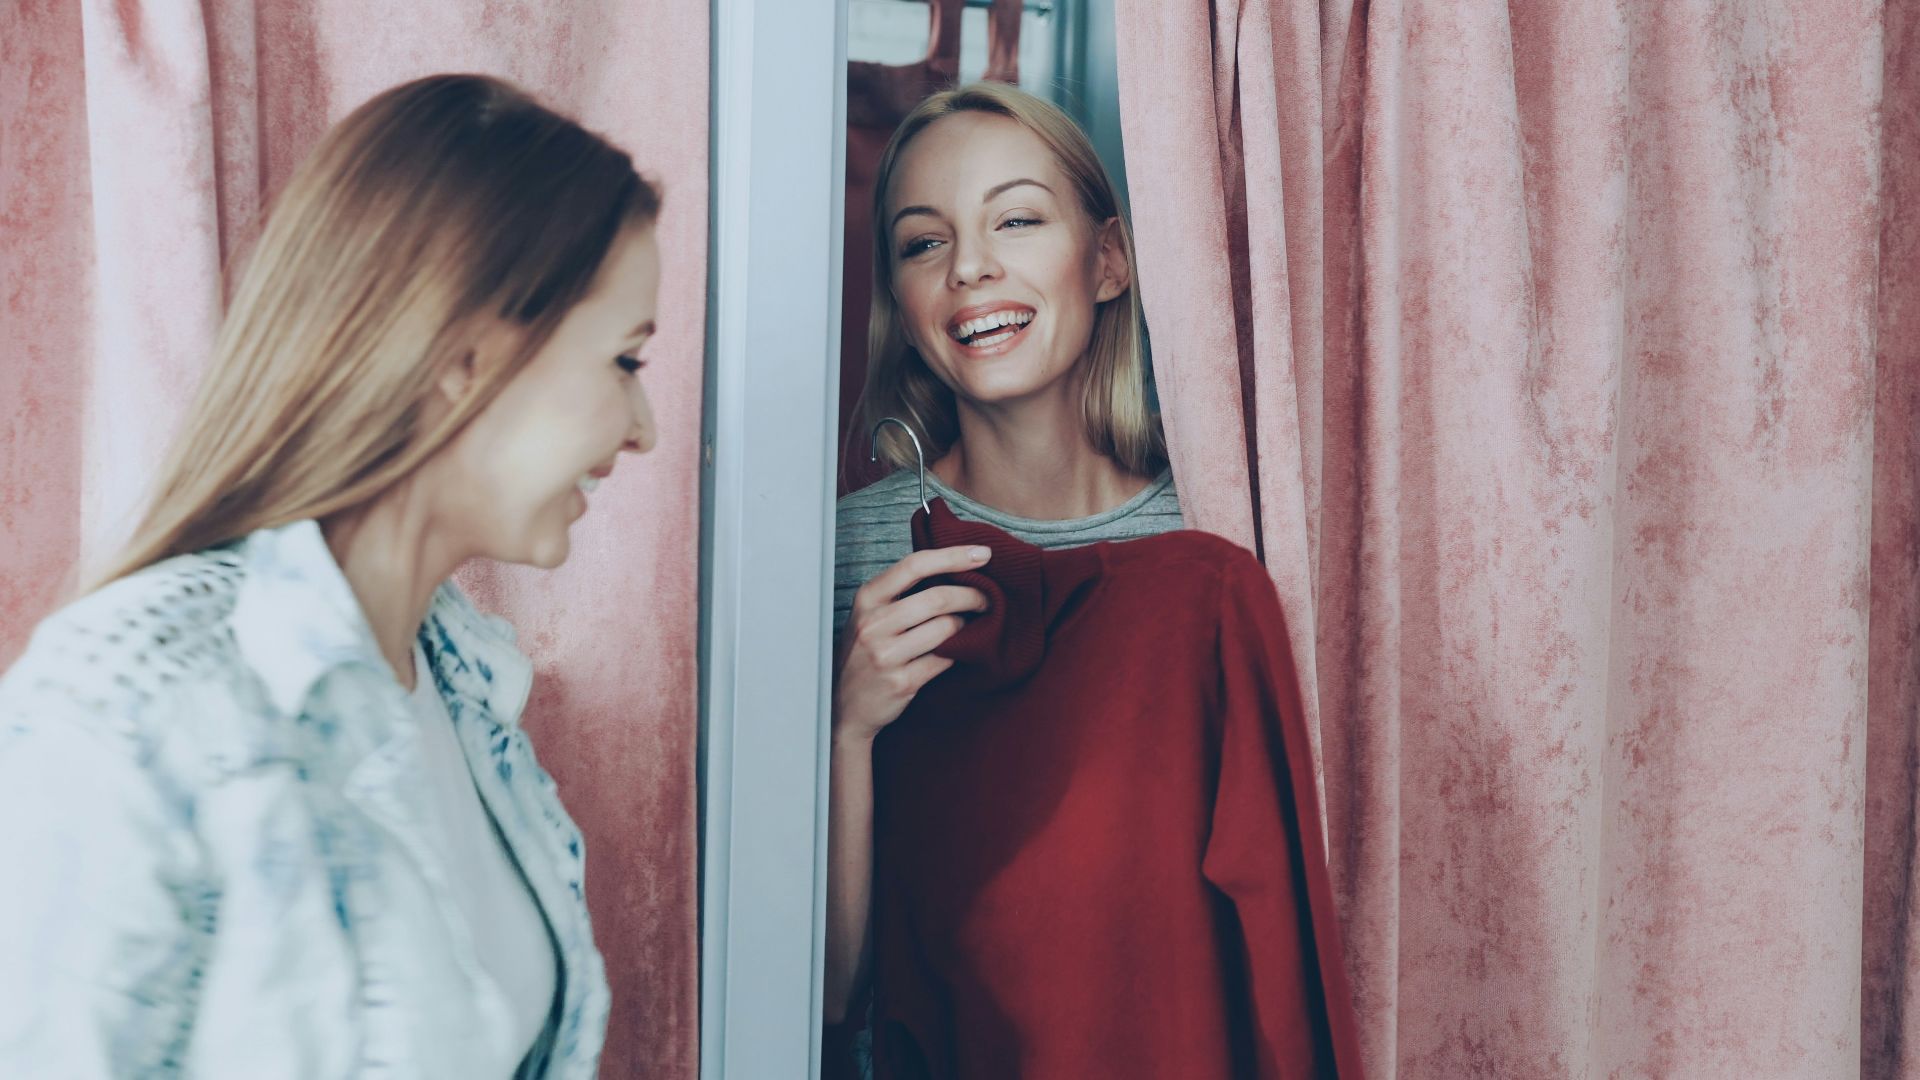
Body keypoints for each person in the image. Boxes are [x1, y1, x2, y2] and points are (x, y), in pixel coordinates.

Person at [0, 74, 663, 1079]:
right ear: (465, 355)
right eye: (624, 361)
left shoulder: (467, 693)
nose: (645, 427)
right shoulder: (135, 698)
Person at [825, 80, 1184, 1060]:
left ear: (1107, 260)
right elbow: (826, 992)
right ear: (898, 304)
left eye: (1015, 219)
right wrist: (849, 726)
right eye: (922, 242)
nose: (970, 268)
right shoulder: (842, 558)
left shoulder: (1215, 537)